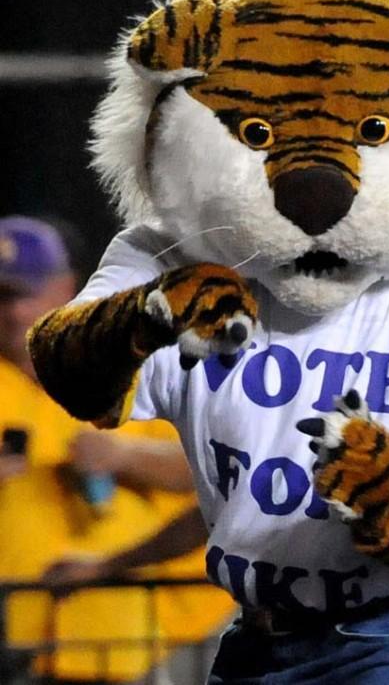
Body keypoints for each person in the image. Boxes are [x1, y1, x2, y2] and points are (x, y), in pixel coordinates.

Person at [0, 216, 234, 685]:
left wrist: (124, 457)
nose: (13, 313)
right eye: (0, 298)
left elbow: (214, 465)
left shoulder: (118, 357)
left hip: (134, 625)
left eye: (22, 293)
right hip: (15, 633)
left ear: (65, 285)